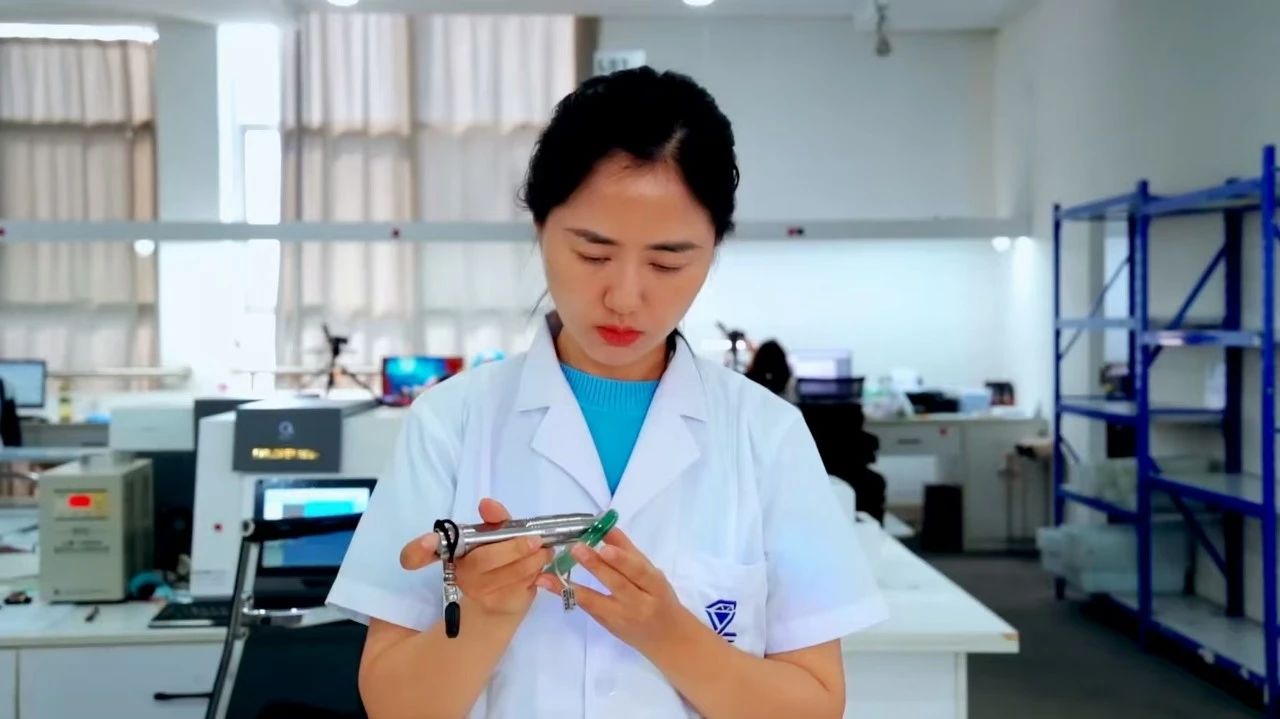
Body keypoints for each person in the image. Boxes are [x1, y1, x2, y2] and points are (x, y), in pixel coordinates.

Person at [327, 66, 888, 719]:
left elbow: (815, 704)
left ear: (712, 249)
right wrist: (482, 614)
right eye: (593, 253)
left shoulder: (766, 434)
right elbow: (392, 704)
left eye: (667, 261)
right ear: (540, 227)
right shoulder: (450, 422)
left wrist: (669, 633)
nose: (624, 296)